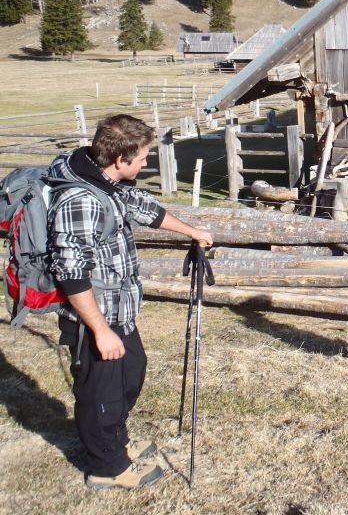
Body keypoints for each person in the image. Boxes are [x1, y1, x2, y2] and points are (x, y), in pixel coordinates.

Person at [47, 114, 213, 489]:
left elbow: (145, 209)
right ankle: (107, 469)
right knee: (101, 392)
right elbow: (71, 274)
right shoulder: (81, 199)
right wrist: (100, 331)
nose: (145, 163)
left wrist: (192, 231)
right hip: (95, 319)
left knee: (130, 373)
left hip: (118, 311)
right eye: (141, 158)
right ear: (120, 159)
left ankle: (114, 445)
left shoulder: (108, 182)